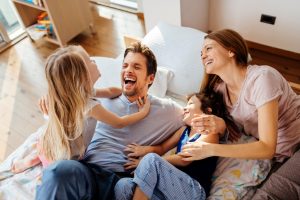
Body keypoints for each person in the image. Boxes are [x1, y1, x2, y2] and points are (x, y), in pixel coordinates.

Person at [35, 42, 184, 200]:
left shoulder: (166, 109)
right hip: (86, 172)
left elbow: (193, 120)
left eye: (136, 67)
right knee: (58, 173)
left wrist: (158, 149)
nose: (128, 70)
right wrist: (52, 99)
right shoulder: (101, 99)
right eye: (125, 65)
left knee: (60, 172)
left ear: (151, 78)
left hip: (117, 182)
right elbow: (70, 97)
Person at [179, 29, 300, 199]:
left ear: (231, 50)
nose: (203, 55)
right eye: (201, 52)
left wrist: (211, 149)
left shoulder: (262, 79)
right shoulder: (219, 90)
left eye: (208, 48)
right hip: (275, 156)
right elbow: (233, 127)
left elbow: (267, 147)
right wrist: (222, 126)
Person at [11, 45, 150, 173]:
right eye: (90, 61)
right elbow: (119, 122)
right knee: (70, 167)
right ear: (83, 76)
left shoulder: (77, 94)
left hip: (50, 145)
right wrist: (143, 112)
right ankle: (40, 164)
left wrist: (125, 90)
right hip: (67, 159)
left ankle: (34, 158)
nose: (94, 62)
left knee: (44, 149)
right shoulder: (89, 106)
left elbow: (108, 91)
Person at [115, 90, 239, 200]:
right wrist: (143, 150)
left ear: (207, 110)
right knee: (124, 185)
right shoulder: (183, 131)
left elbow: (185, 159)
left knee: (151, 160)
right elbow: (162, 148)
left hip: (193, 192)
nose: (185, 108)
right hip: (169, 189)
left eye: (190, 104)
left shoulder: (210, 134)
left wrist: (146, 163)